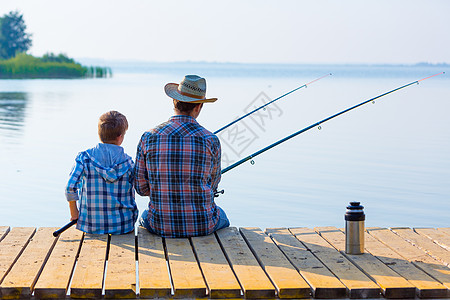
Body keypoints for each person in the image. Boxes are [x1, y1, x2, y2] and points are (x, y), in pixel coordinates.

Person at [135, 75, 229, 238]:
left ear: (174, 101)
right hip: (202, 225)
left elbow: (141, 188)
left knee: (144, 217)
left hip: (159, 225)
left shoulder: (148, 137)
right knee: (223, 216)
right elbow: (212, 185)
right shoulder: (210, 140)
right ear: (198, 107)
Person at [65, 110, 138, 234]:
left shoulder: (84, 158)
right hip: (123, 225)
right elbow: (139, 189)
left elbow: (70, 187)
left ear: (99, 134)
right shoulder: (129, 163)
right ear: (120, 137)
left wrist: (74, 213)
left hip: (91, 226)